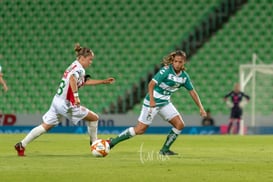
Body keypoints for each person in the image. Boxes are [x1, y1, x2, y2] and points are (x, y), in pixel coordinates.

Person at [14, 43, 115, 156]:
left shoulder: (74, 65)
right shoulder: (79, 69)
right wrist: (76, 96)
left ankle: (22, 144)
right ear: (82, 58)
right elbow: (72, 79)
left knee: (46, 125)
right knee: (94, 118)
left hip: (57, 100)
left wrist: (103, 81)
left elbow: (83, 82)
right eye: (90, 59)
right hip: (66, 104)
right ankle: (95, 145)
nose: (91, 62)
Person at [108, 50, 207, 155]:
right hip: (152, 102)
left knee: (179, 124)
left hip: (165, 103)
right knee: (140, 129)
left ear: (184, 62)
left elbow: (192, 92)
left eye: (180, 62)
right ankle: (112, 142)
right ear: (173, 61)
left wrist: (201, 108)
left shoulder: (184, 77)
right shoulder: (165, 71)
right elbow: (151, 84)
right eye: (176, 61)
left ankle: (164, 150)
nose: (177, 64)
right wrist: (151, 100)